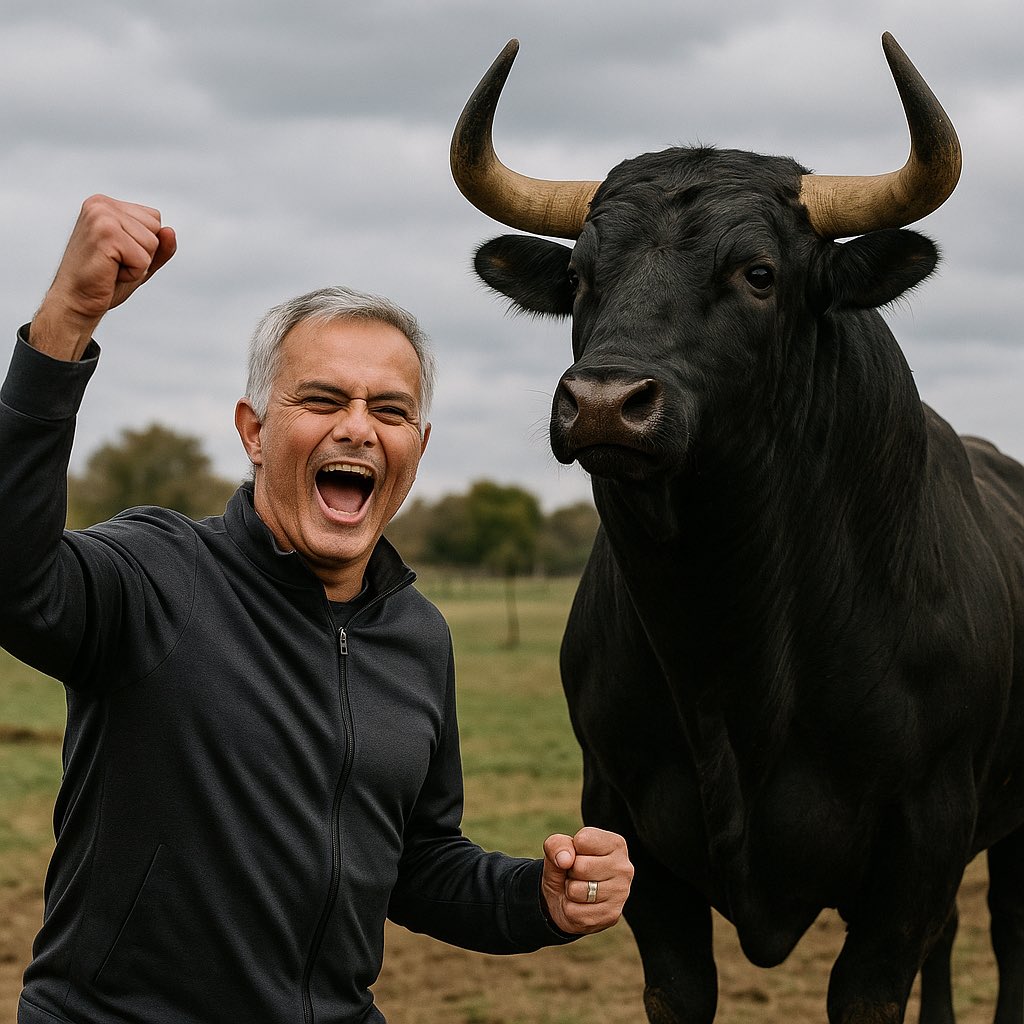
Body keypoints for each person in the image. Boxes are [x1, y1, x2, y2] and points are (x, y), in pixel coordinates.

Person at [0, 195, 633, 1024]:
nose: (359, 429)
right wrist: (66, 322)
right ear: (254, 432)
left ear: (418, 449)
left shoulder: (417, 637)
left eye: (391, 410)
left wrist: (535, 898)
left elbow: (417, 862)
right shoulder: (157, 574)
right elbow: (15, 579)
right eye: (324, 401)